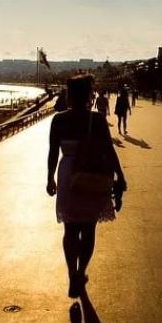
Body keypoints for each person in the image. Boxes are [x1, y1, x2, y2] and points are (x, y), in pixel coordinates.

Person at [47, 74, 127, 298]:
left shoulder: (59, 120)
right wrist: (120, 176)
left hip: (68, 176)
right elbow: (109, 151)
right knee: (88, 229)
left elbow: (53, 152)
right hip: (93, 174)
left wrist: (50, 178)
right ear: (89, 95)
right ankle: (81, 272)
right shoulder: (97, 120)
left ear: (70, 94)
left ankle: (72, 272)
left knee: (70, 229)